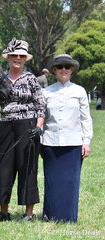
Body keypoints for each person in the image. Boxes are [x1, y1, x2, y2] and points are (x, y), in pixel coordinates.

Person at [0, 38, 45, 221]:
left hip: (28, 126)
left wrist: (39, 127)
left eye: (21, 56)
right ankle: (3, 212)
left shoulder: (31, 79)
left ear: (25, 59)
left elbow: (41, 105)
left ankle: (28, 213)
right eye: (14, 55)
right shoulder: (0, 80)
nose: (17, 58)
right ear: (8, 58)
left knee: (28, 168)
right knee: (4, 167)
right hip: (6, 126)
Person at [41, 54, 93, 223]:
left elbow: (86, 118)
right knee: (52, 182)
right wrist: (39, 142)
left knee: (70, 182)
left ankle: (69, 217)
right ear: (54, 70)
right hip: (50, 143)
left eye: (67, 67)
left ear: (72, 70)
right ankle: (50, 216)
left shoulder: (79, 91)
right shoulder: (46, 92)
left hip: (73, 144)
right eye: (60, 66)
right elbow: (41, 119)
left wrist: (86, 141)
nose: (64, 69)